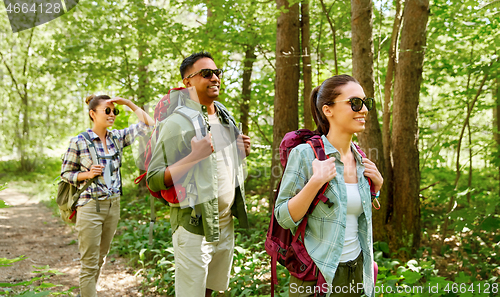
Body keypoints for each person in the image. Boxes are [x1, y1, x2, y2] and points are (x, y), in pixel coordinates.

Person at [147, 52, 252, 297]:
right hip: (194, 225)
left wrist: (241, 153)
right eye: (206, 73)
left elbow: (219, 166)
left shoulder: (225, 115)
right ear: (188, 82)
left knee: (209, 290)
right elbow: (154, 177)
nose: (215, 77)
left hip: (224, 222)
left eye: (217, 72)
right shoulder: (175, 123)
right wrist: (194, 156)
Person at [274, 75, 383, 297]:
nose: (363, 110)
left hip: (357, 274)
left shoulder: (361, 158)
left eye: (366, 103)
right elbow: (283, 217)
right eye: (355, 103)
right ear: (328, 110)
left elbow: (349, 212)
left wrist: (376, 188)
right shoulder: (305, 154)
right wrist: (315, 182)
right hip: (318, 276)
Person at [61, 95, 154, 297]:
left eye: (115, 111)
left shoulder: (116, 137)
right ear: (92, 114)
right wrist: (87, 174)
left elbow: (150, 124)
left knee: (101, 258)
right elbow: (66, 174)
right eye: (107, 111)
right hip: (89, 207)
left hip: (113, 206)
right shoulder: (78, 141)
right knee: (89, 263)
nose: (112, 114)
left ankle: (86, 293)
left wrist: (128, 104)